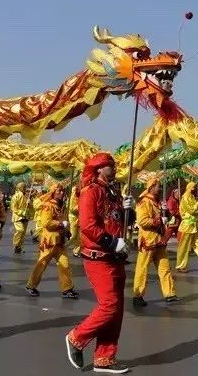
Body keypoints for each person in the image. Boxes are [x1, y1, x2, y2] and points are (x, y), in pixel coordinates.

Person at [65, 153, 133, 374]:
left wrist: (128, 211)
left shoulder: (112, 192)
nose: (114, 168)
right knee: (109, 306)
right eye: (109, 165)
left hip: (115, 257)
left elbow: (118, 220)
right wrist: (112, 242)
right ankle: (77, 337)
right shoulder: (90, 192)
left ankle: (104, 358)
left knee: (118, 310)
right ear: (98, 169)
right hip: (99, 257)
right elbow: (88, 226)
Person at [132, 176, 177, 308]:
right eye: (158, 185)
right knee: (142, 269)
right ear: (152, 187)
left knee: (165, 267)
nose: (160, 187)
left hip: (159, 240)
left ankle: (169, 293)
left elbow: (163, 218)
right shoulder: (144, 202)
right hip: (148, 240)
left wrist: (165, 213)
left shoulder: (156, 202)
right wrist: (158, 221)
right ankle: (138, 295)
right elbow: (142, 221)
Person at [25, 183, 78, 298]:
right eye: (59, 191)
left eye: (63, 191)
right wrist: (60, 223)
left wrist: (66, 230)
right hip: (49, 241)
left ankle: (67, 288)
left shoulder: (62, 206)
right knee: (42, 264)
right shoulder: (48, 206)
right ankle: (31, 285)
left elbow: (62, 221)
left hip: (60, 242)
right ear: (53, 192)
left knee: (65, 264)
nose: (62, 193)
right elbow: (46, 223)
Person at [9, 181, 34, 254]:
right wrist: (21, 212)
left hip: (25, 217)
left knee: (23, 233)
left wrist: (30, 203)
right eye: (23, 187)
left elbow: (31, 207)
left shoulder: (27, 196)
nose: (25, 188)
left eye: (25, 187)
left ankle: (19, 246)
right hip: (18, 217)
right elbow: (14, 208)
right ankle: (16, 244)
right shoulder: (15, 196)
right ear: (19, 188)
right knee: (20, 230)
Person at [68, 184, 81, 257]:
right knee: (73, 236)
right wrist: (80, 206)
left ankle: (76, 250)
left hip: (79, 218)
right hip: (73, 218)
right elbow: (72, 209)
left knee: (79, 237)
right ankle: (63, 247)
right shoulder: (72, 198)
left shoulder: (80, 197)